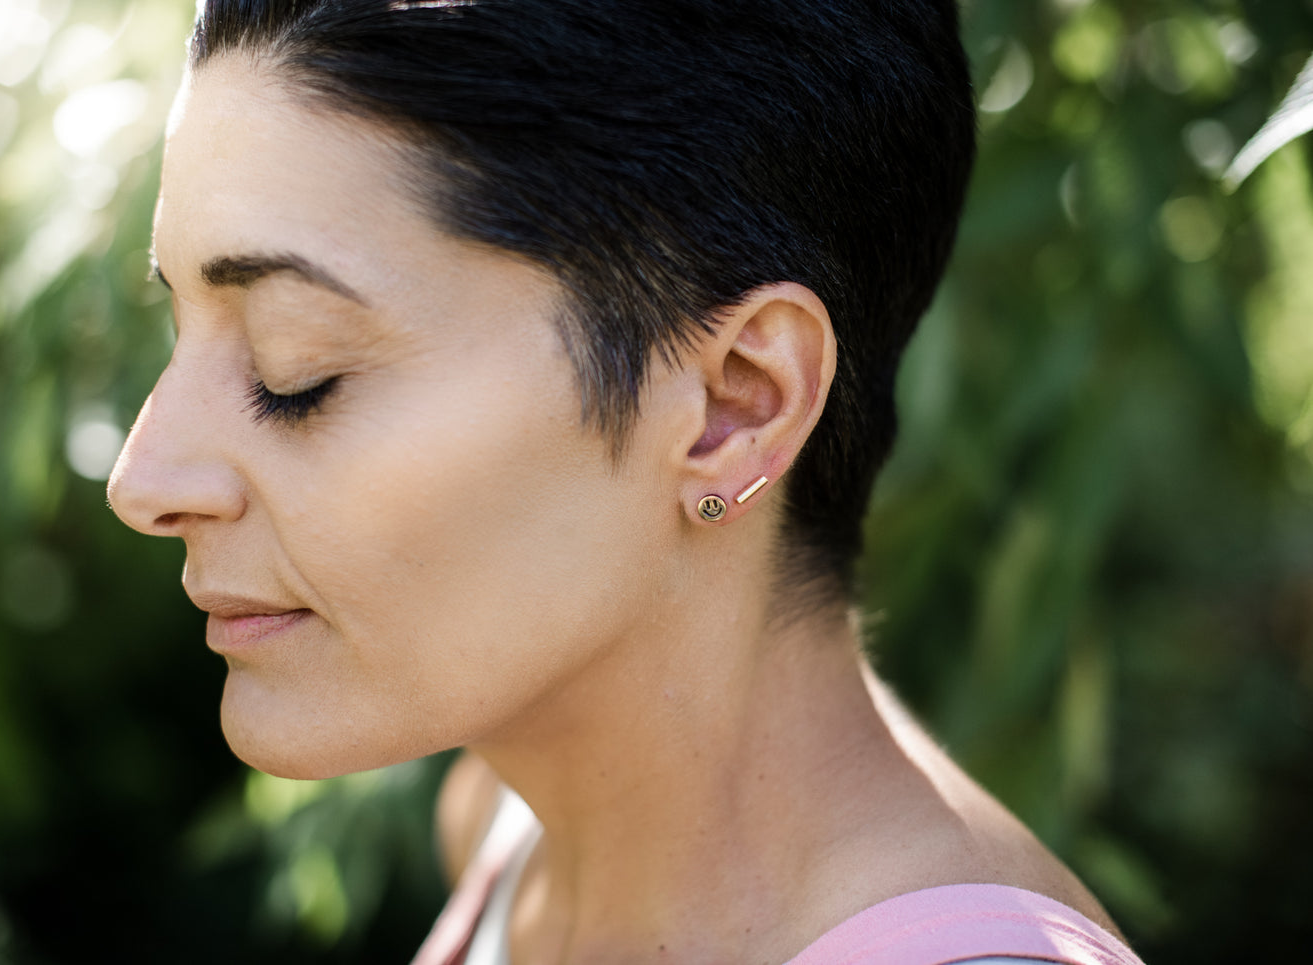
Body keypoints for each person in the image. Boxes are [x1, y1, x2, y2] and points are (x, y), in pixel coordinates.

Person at [106, 1, 1147, 962]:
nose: (141, 477)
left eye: (298, 371)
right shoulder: (509, 827)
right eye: (180, 328)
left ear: (734, 403)